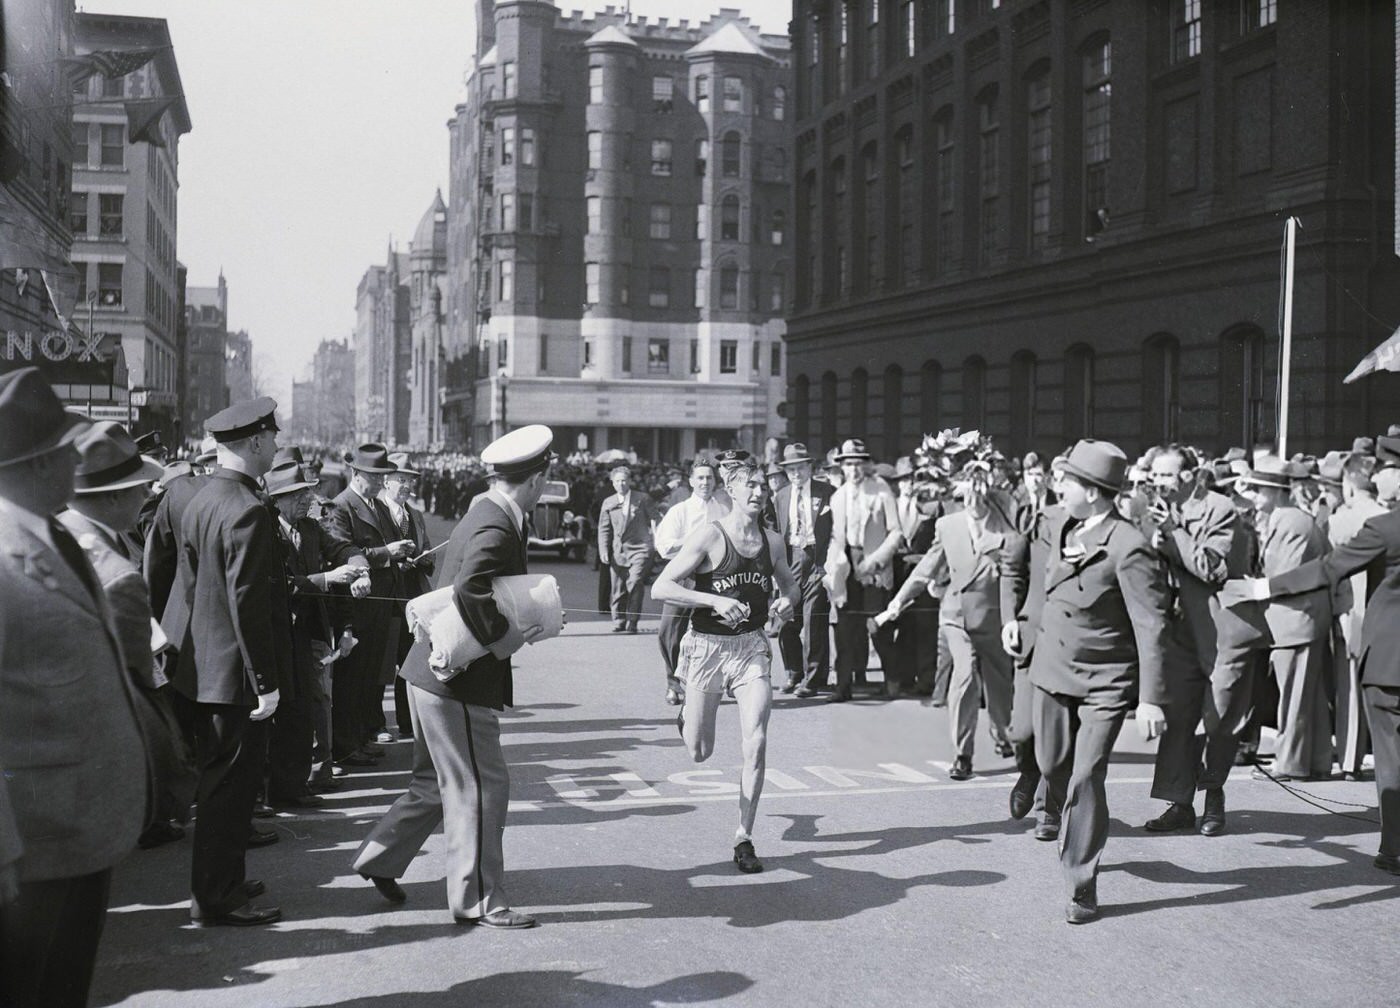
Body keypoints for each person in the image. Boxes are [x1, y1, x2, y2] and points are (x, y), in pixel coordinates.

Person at [352, 425, 555, 928]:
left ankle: (379, 857)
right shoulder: (498, 523)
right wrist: (508, 638)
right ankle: (480, 899)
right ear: (535, 479)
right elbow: (471, 589)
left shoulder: (485, 509)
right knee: (482, 787)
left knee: (433, 781)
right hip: (458, 680)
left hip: (428, 672)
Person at [0, 370, 149, 1008]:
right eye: (67, 449)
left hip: (78, 826)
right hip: (31, 844)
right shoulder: (7, 558)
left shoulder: (52, 532)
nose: (75, 460)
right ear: (38, 462)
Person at [1223, 433, 1400, 878]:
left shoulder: (1386, 527)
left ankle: (1396, 847)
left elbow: (1328, 570)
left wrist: (1263, 587)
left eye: (1387, 467)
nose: (1379, 474)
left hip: (1391, 662)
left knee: (1393, 758)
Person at [1028, 439, 1171, 924]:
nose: (1058, 486)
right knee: (1052, 765)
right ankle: (1061, 804)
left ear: (1091, 491)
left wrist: (1150, 700)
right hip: (1051, 672)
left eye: (1066, 480)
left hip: (1105, 681)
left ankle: (1081, 882)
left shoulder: (1129, 547)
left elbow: (1152, 625)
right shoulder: (1058, 523)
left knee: (1087, 776)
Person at [166, 397, 292, 927]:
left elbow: (187, 590)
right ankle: (216, 897)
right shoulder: (247, 509)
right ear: (256, 443)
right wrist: (265, 681)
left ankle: (227, 881)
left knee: (226, 788)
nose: (276, 447)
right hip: (234, 674)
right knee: (228, 792)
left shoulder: (202, 499)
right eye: (272, 439)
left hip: (205, 667)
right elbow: (247, 603)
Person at [652, 457, 799, 874]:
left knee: (756, 740)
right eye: (749, 486)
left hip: (751, 647)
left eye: (763, 487)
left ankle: (743, 836)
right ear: (730, 490)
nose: (758, 493)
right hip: (706, 648)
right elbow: (662, 587)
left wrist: (787, 604)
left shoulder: (772, 542)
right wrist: (714, 599)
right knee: (700, 751)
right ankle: (687, 715)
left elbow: (789, 586)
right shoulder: (709, 536)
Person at [1140, 445, 1264, 837]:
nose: (1157, 483)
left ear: (1191, 476)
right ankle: (1179, 804)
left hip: (1221, 631)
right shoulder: (1155, 512)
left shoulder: (1220, 509)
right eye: (1153, 475)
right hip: (1180, 633)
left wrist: (1173, 532)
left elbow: (1212, 568)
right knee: (1178, 718)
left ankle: (1213, 797)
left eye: (1165, 475)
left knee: (1219, 719)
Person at [880, 466, 1015, 776]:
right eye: (963, 494)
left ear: (987, 494)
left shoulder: (1006, 526)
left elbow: (1014, 574)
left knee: (999, 683)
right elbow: (926, 568)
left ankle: (1001, 731)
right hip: (956, 617)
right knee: (965, 675)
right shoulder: (948, 525)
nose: (970, 501)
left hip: (995, 618)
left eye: (977, 494)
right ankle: (962, 753)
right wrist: (898, 601)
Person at [1240, 457, 1333, 781]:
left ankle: (1290, 763)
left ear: (1274, 491)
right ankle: (1318, 760)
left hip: (1295, 621)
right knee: (1311, 696)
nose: (1252, 495)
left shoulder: (1290, 521)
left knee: (1294, 697)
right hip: (1301, 620)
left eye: (1257, 489)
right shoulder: (1289, 518)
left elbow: (1283, 576)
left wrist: (1249, 588)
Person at [323, 445, 417, 770]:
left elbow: (384, 551)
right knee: (351, 682)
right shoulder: (342, 507)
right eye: (374, 477)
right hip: (356, 608)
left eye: (382, 477)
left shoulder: (376, 505)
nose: (380, 483)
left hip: (380, 606)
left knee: (369, 680)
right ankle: (346, 746)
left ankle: (361, 738)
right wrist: (385, 553)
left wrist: (398, 559)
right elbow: (342, 551)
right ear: (356, 474)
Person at [825, 439, 902, 701]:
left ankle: (893, 680)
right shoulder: (838, 497)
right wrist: (835, 566)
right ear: (842, 467)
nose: (854, 470)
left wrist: (876, 560)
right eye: (849, 465)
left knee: (878, 627)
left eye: (858, 464)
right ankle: (843, 686)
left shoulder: (880, 491)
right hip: (847, 567)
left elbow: (896, 533)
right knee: (845, 631)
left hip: (874, 567)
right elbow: (835, 537)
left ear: (866, 465)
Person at [653, 458, 728, 705]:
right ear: (691, 481)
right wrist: (694, 542)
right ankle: (674, 685)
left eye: (709, 478)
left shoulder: (724, 510)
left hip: (716, 578)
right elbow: (664, 546)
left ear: (716, 481)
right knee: (669, 632)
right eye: (700, 478)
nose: (705, 482)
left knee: (722, 630)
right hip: (684, 577)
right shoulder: (681, 511)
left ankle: (720, 681)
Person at [380, 453, 437, 741]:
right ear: (386, 481)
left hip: (413, 598)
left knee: (411, 659)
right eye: (401, 480)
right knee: (383, 661)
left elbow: (427, 549)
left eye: (410, 481)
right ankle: (377, 723)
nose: (406, 486)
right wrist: (395, 562)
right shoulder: (378, 510)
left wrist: (423, 559)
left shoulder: (414, 514)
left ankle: (407, 721)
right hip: (387, 598)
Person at [772, 443, 835, 698]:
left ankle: (813, 677)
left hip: (817, 559)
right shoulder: (781, 496)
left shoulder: (828, 492)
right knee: (786, 620)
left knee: (813, 621)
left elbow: (834, 529)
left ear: (809, 467)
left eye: (800, 468)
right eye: (791, 470)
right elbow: (777, 532)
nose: (796, 473)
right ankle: (793, 672)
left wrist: (828, 564)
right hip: (790, 561)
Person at [597, 463, 661, 633]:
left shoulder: (643, 498)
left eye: (624, 481)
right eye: (617, 481)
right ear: (612, 483)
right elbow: (603, 528)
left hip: (640, 548)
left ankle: (632, 621)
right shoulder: (609, 502)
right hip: (618, 551)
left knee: (635, 581)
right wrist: (603, 550)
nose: (621, 484)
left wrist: (655, 541)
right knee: (618, 587)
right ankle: (619, 619)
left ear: (630, 481)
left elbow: (656, 519)